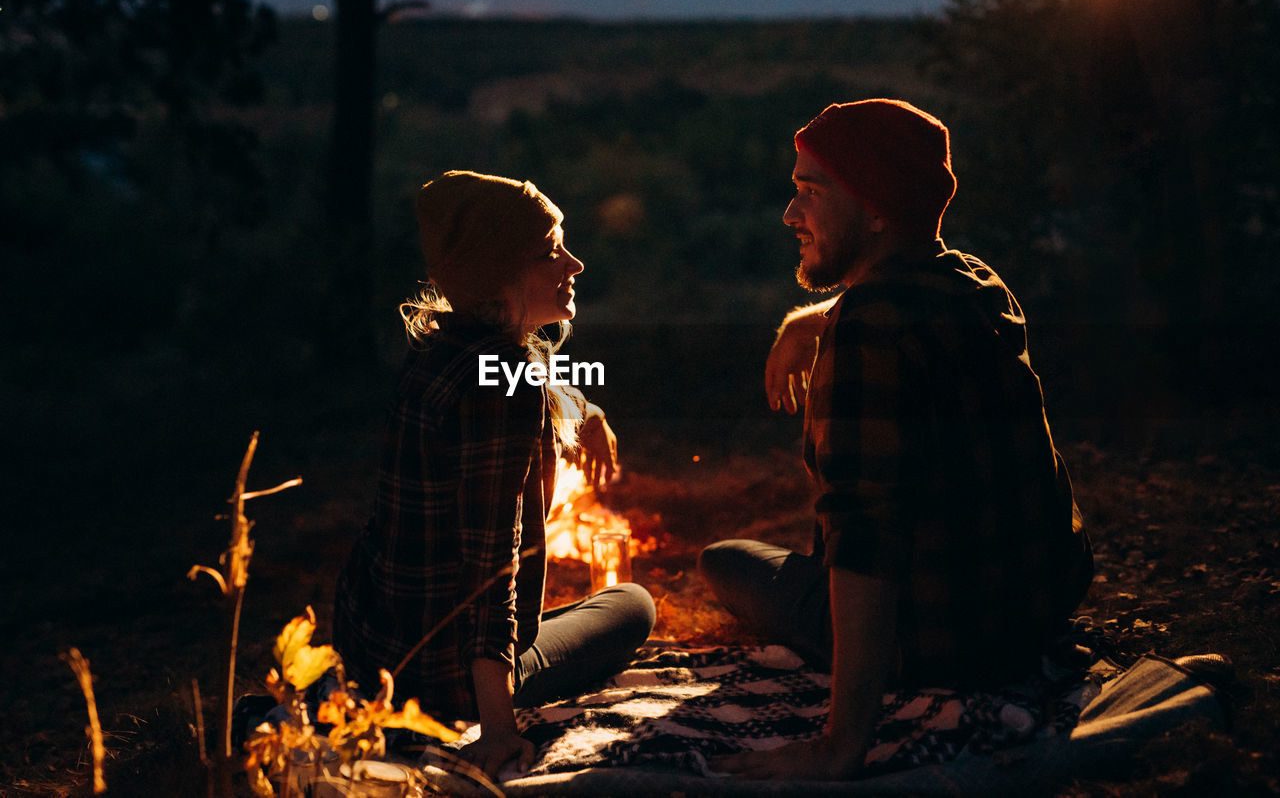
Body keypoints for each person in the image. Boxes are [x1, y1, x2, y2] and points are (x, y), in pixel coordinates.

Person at [700, 100, 1093, 781]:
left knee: (725, 562)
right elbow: (902, 293)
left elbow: (864, 539)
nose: (791, 216)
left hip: (931, 644)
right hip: (1030, 620)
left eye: (810, 194)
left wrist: (841, 741)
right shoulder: (976, 283)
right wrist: (813, 319)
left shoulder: (868, 333)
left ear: (878, 210)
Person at [333, 170, 656, 780]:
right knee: (633, 604)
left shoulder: (440, 347)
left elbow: (518, 384)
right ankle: (494, 693)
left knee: (589, 607)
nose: (575, 263)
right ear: (499, 275)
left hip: (372, 644)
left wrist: (587, 410)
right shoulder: (504, 383)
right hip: (441, 682)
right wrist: (498, 729)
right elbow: (490, 562)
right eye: (550, 251)